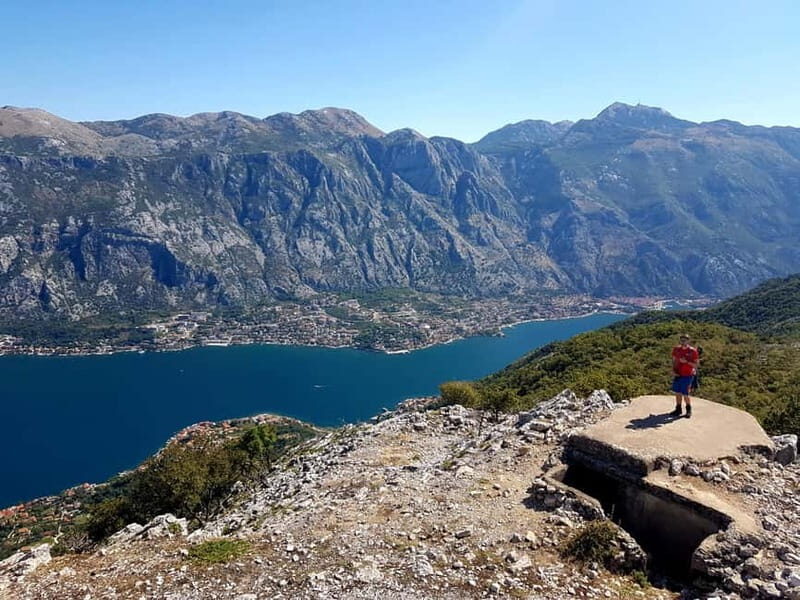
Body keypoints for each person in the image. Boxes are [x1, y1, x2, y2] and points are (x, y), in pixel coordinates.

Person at [671, 334, 699, 417]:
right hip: (678, 374)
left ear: (688, 341)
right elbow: (674, 360)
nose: (683, 341)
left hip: (688, 374)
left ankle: (688, 410)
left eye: (685, 340)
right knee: (677, 392)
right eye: (682, 340)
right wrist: (673, 370)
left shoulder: (692, 351)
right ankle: (678, 409)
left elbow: (696, 365)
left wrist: (686, 362)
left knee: (685, 393)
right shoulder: (676, 349)